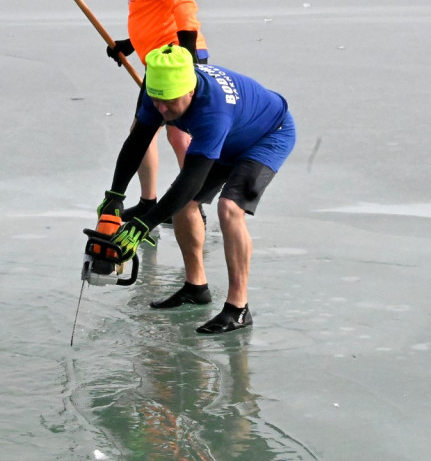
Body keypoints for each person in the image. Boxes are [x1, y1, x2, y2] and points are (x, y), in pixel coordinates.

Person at [97, 44, 295, 334]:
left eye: (170, 103)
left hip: (266, 136)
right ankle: (195, 287)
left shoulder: (213, 111)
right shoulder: (159, 89)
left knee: (229, 208)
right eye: (157, 101)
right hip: (229, 137)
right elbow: (138, 140)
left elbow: (191, 180)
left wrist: (143, 224)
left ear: (190, 91)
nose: (162, 110)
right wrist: (115, 196)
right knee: (185, 206)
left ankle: (238, 308)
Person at [101, 0, 210, 225]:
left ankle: (190, 204)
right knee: (154, 134)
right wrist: (130, 44)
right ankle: (152, 201)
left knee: (166, 134)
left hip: (176, 60)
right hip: (164, 58)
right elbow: (155, 15)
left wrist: (186, 59)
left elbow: (183, 6)